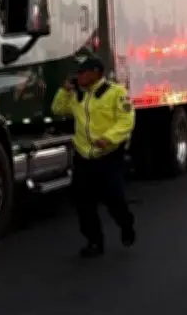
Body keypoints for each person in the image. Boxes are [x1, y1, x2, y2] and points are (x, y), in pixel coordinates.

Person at [51, 53, 136, 258]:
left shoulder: (115, 92)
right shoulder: (77, 95)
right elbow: (57, 109)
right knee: (83, 202)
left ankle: (126, 225)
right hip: (84, 156)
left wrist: (108, 138)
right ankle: (94, 241)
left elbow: (126, 121)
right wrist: (65, 90)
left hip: (107, 155)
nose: (78, 76)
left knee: (114, 199)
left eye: (82, 72)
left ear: (96, 73)